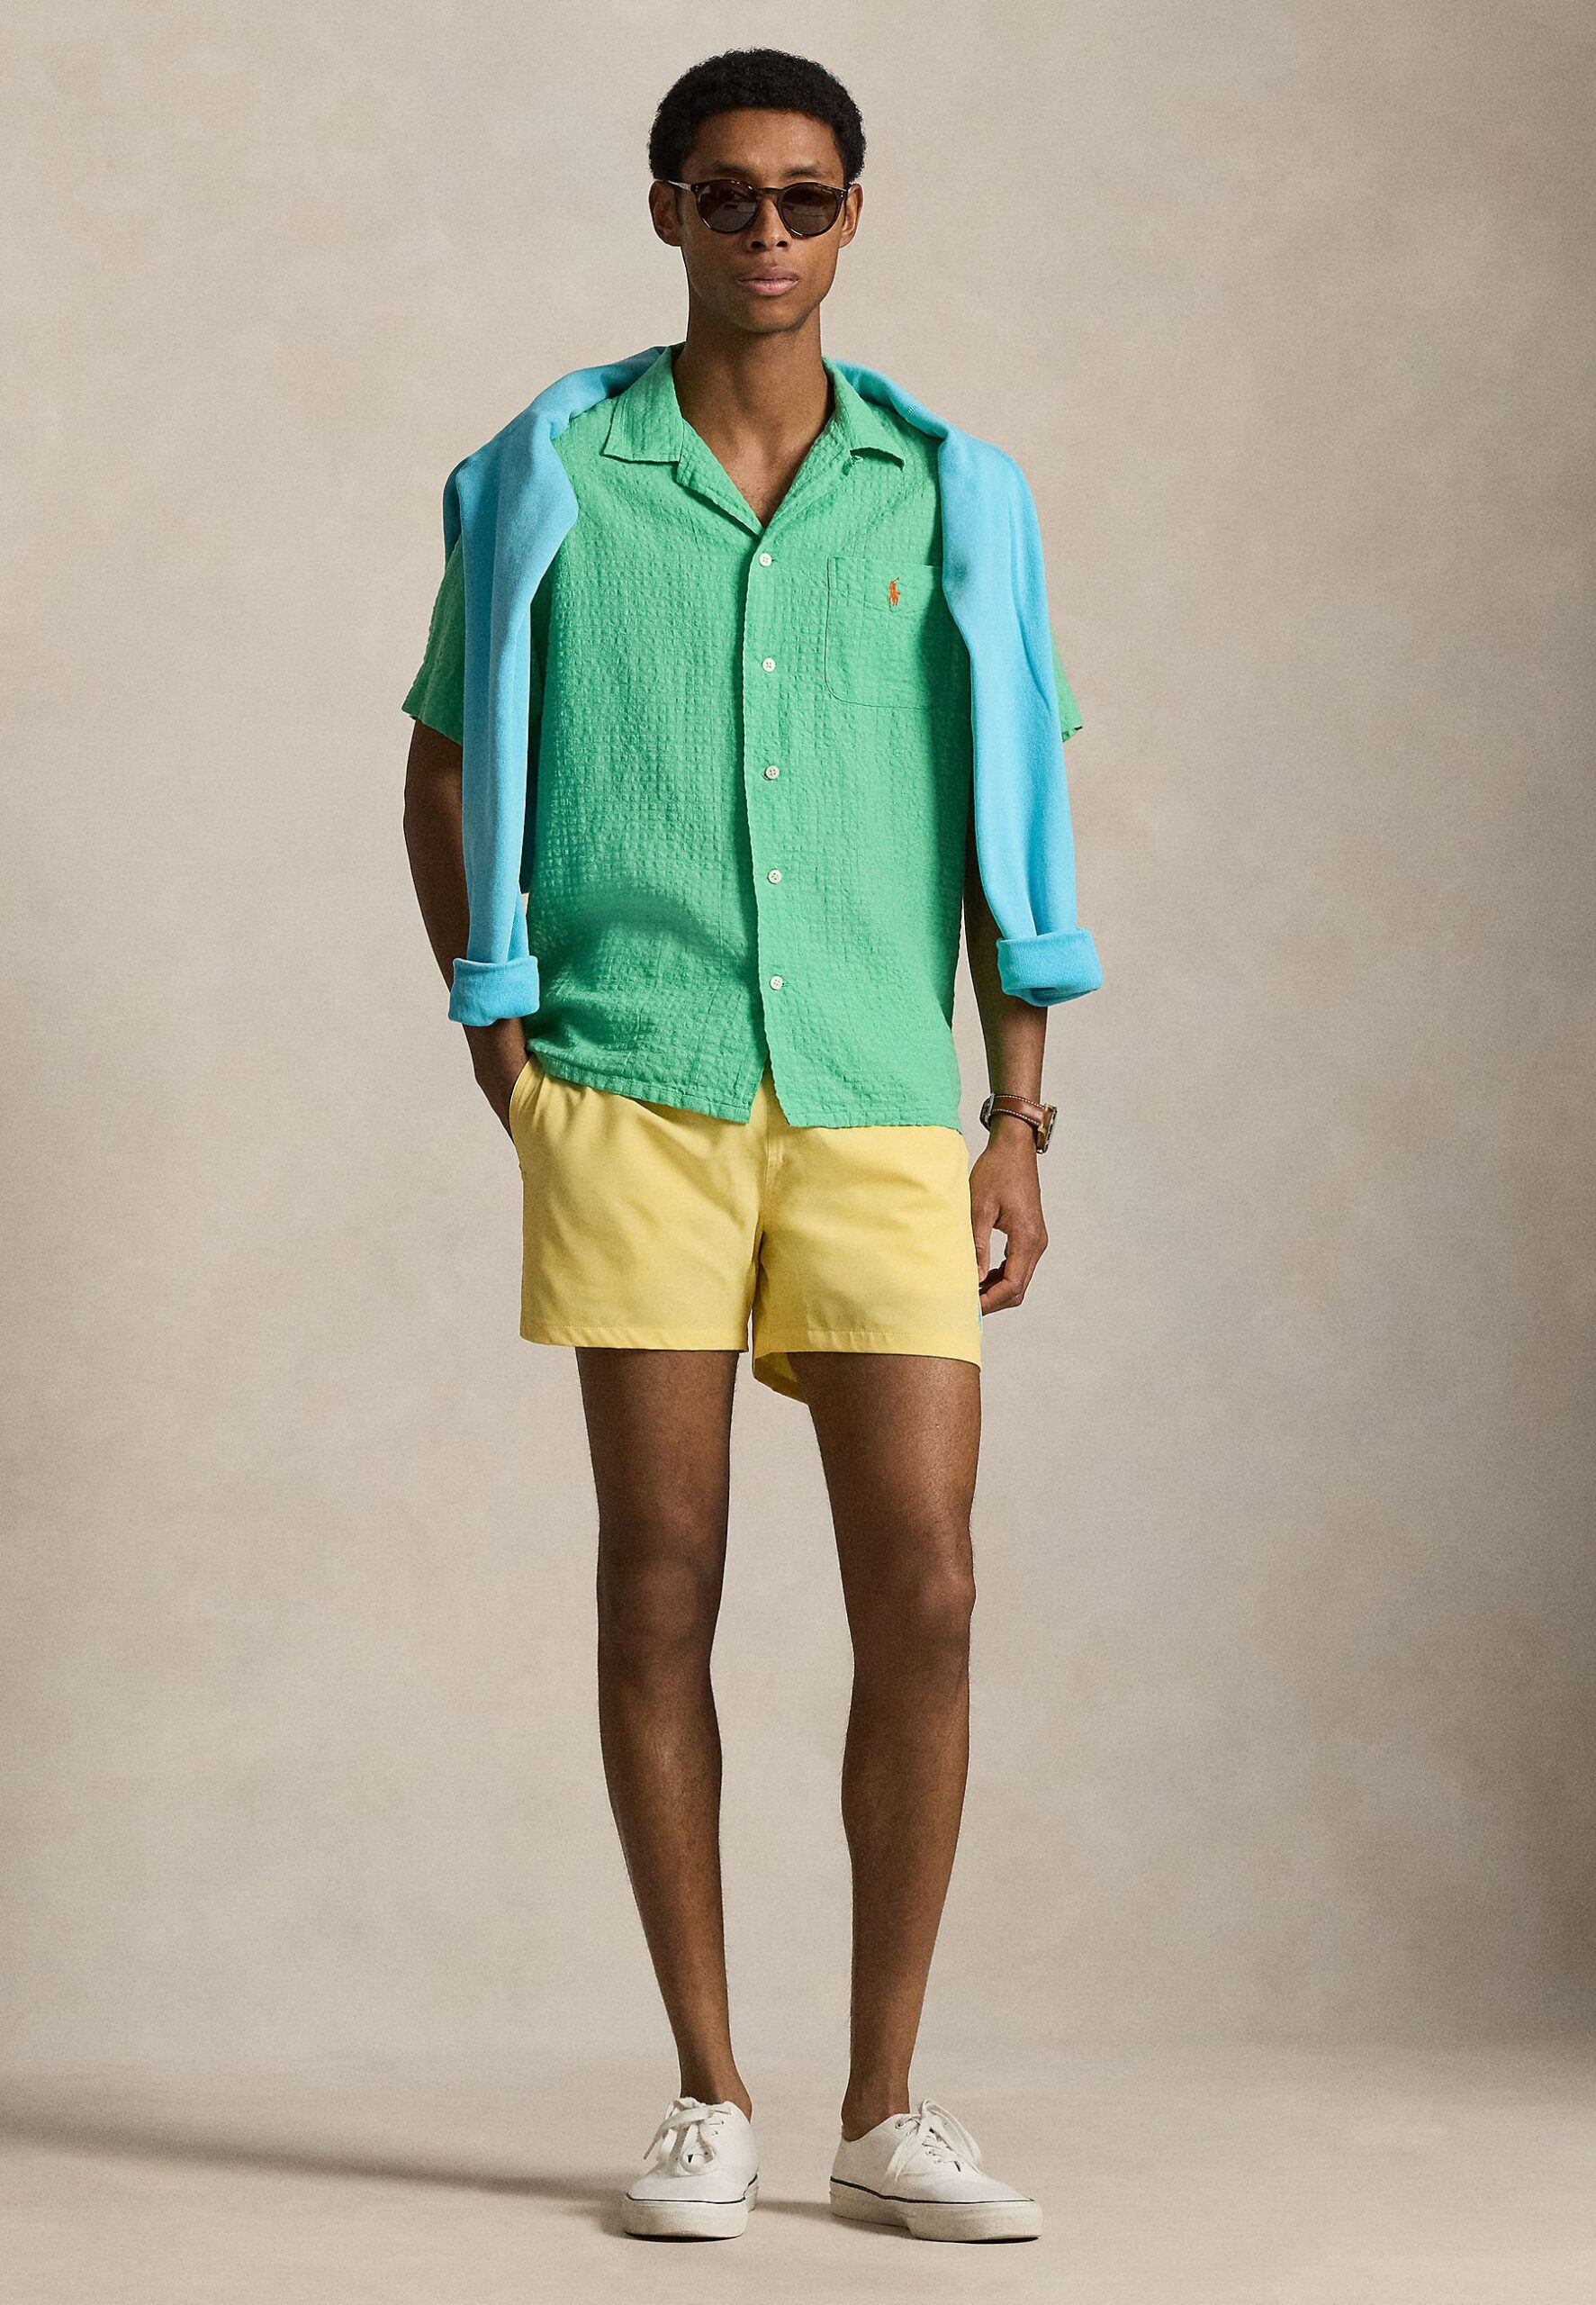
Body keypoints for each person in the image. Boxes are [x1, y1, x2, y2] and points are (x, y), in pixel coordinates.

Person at [401, 45, 1097, 2246]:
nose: (766, 233)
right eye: (726, 196)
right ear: (666, 212)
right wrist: (503, 1030)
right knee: (661, 1574)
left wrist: (1015, 1115)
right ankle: (705, 2089)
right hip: (637, 1088)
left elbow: (1011, 817)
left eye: (804, 197)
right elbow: (445, 763)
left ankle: (883, 2104)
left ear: (853, 214)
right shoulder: (546, 470)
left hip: (881, 1100)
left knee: (929, 1587)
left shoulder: (950, 491)